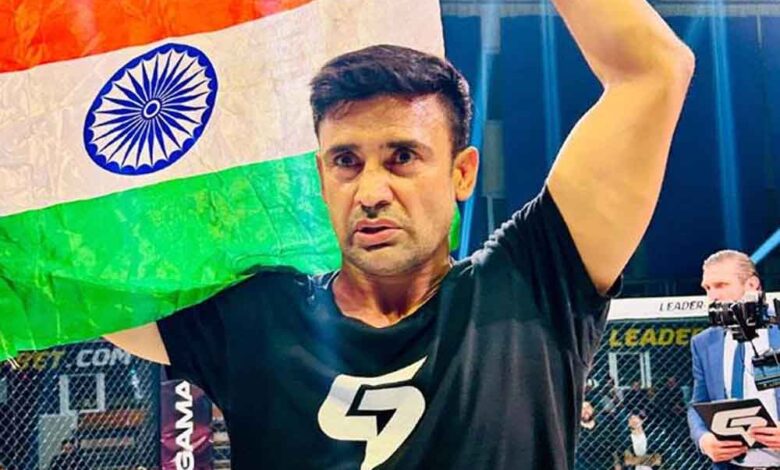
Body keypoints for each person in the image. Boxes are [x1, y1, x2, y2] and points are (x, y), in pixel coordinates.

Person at [104, 0, 694, 467]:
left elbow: (653, 72)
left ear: (462, 173)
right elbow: (80, 287)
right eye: (346, 161)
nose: (371, 191)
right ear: (321, 178)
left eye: (402, 157)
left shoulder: (532, 282)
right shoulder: (257, 316)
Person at [688, 250, 780, 469]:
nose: (712, 296)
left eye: (721, 285)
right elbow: (697, 404)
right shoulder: (704, 343)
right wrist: (704, 440)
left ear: (752, 285)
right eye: (707, 288)